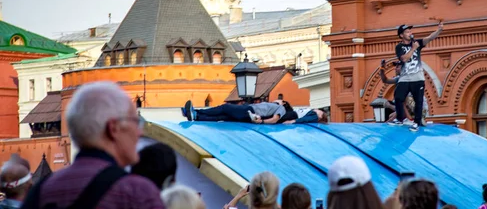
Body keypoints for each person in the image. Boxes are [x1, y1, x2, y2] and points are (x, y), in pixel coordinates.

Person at [21, 81, 165, 209]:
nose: (139, 133)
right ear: (113, 128)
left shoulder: (41, 192)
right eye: (136, 122)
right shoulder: (136, 193)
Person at [182, 99, 288, 124]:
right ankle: (196, 117)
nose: (277, 99)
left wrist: (262, 122)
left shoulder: (281, 108)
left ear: (283, 103)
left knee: (225, 108)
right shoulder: (273, 105)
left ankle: (196, 112)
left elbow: (275, 119)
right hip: (249, 116)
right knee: (223, 116)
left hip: (250, 111)